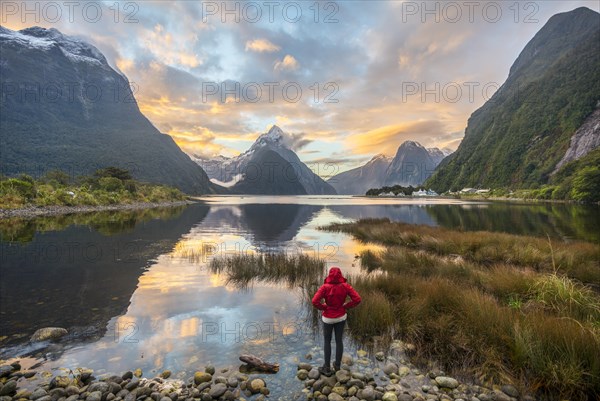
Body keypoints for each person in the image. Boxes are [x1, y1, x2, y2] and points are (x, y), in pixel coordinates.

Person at [312, 267, 361, 376]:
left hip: (328, 318)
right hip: (341, 317)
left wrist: (324, 308)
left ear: (329, 275)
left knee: (327, 341)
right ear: (340, 275)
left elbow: (314, 301)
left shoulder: (324, 287)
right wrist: (346, 306)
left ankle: (327, 367)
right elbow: (357, 299)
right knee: (339, 341)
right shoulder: (345, 286)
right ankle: (337, 365)